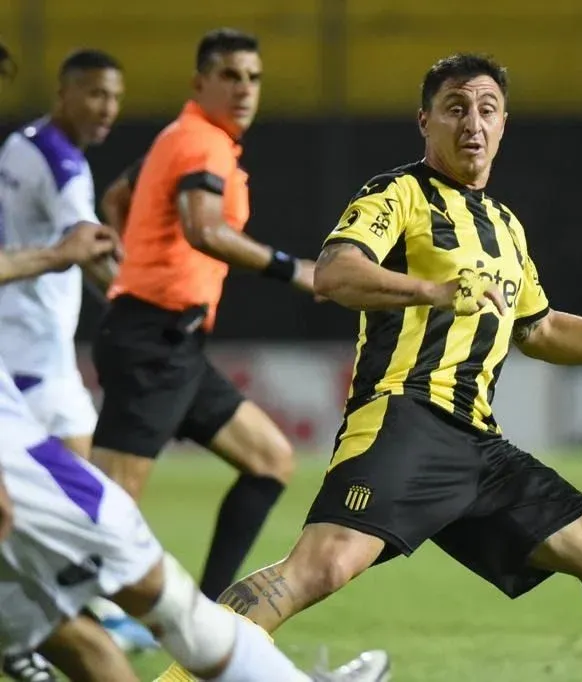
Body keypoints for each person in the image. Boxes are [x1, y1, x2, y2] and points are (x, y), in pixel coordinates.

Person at [157, 53, 582, 682]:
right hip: (404, 415)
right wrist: (433, 290)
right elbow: (334, 274)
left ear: (504, 125)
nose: (473, 123)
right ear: (425, 121)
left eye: (487, 110)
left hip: (480, 445)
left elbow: (542, 330)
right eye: (456, 108)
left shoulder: (506, 227)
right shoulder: (399, 194)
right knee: (322, 567)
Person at [0, 234, 390, 682]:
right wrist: (62, 256)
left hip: (162, 340)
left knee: (77, 638)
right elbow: (204, 227)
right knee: (162, 598)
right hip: (43, 434)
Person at [89, 28, 318, 603]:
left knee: (269, 460)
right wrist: (293, 270)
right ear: (200, 83)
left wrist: (134, 267)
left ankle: (210, 614)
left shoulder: (181, 137)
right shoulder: (202, 143)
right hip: (152, 339)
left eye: (253, 78)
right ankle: (56, 624)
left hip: (173, 342)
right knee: (106, 514)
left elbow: (116, 198)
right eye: (230, 76)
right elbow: (205, 230)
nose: (244, 89)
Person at [0, 48, 161, 672]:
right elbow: (88, 248)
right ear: (63, 93)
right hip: (33, 360)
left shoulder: (20, 144)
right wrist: (144, 309)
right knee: (78, 511)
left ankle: (54, 626)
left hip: (34, 352)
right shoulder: (63, 163)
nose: (107, 108)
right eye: (95, 94)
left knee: (65, 505)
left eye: (115, 97)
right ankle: (49, 629)